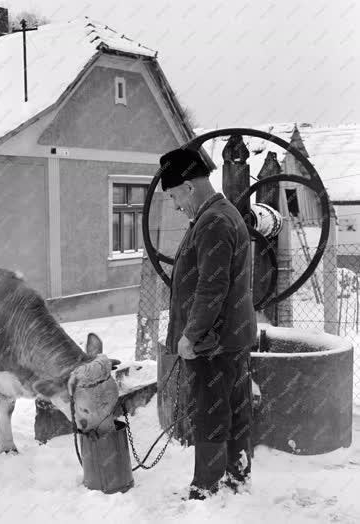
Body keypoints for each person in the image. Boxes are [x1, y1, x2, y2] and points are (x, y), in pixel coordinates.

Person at [159, 147, 256, 500]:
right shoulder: (219, 214)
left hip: (213, 341)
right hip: (228, 336)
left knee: (211, 411)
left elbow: (211, 285)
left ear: (188, 186)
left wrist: (191, 335)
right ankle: (236, 473)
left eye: (173, 196)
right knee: (233, 405)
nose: (174, 205)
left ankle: (207, 486)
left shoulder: (214, 220)